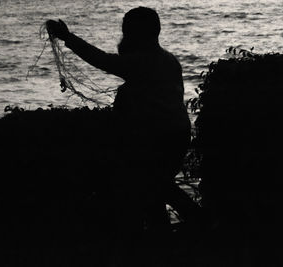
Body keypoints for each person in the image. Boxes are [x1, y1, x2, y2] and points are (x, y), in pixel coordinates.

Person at [47, 6, 201, 266]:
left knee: (153, 185)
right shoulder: (167, 59)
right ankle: (167, 241)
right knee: (154, 190)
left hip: (159, 139)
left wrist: (68, 38)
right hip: (176, 135)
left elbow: (103, 61)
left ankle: (199, 224)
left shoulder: (143, 61)